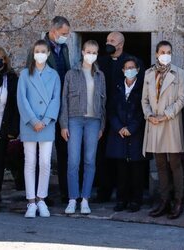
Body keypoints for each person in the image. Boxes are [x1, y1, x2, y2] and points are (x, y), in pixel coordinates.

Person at [97, 32, 145, 202]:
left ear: (121, 44)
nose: (108, 43)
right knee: (104, 156)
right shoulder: (100, 61)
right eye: (107, 40)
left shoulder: (129, 62)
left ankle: (130, 196)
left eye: (112, 41)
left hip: (126, 117)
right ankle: (104, 191)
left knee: (129, 159)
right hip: (106, 115)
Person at [59, 40, 106, 215]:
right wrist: (63, 124)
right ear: (82, 52)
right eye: (88, 51)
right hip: (75, 119)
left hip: (94, 121)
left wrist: (102, 124)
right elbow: (64, 100)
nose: (91, 55)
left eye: (94, 52)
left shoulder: (100, 75)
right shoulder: (71, 74)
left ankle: (85, 199)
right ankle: (73, 199)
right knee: (73, 160)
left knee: (89, 160)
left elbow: (103, 102)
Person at [142, 40, 184, 219]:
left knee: (175, 163)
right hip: (154, 123)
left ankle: (178, 201)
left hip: (170, 122)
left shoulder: (179, 73)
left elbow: (181, 99)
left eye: (168, 51)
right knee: (160, 164)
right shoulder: (148, 73)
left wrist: (166, 115)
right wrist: (148, 115)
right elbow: (144, 99)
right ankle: (164, 201)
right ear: (156, 54)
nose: (165, 54)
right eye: (162, 51)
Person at [17, 40, 61, 218]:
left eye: (43, 51)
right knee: (30, 162)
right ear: (33, 53)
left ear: (48, 53)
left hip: (47, 124)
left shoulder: (54, 75)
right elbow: (22, 99)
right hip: (29, 123)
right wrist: (33, 120)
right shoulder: (25, 74)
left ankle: (41, 199)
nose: (40, 54)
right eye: (37, 51)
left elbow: (55, 99)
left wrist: (46, 119)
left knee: (45, 163)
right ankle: (31, 202)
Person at [106, 56, 145, 212]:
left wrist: (132, 127)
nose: (129, 70)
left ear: (137, 70)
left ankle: (136, 200)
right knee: (121, 170)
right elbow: (110, 110)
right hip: (119, 134)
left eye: (132, 67)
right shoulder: (116, 87)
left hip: (136, 134)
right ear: (122, 70)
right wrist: (119, 127)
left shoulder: (142, 88)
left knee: (137, 169)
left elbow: (143, 111)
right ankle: (121, 199)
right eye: (126, 68)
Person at [44, 16, 71, 203]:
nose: (66, 37)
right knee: (43, 153)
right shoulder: (40, 48)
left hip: (62, 106)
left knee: (64, 151)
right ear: (53, 31)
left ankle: (65, 192)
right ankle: (40, 194)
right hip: (46, 108)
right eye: (63, 34)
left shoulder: (65, 48)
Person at [0, 46, 19, 213]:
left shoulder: (11, 78)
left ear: (5, 60)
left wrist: (12, 130)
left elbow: (15, 106)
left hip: (1, 130)